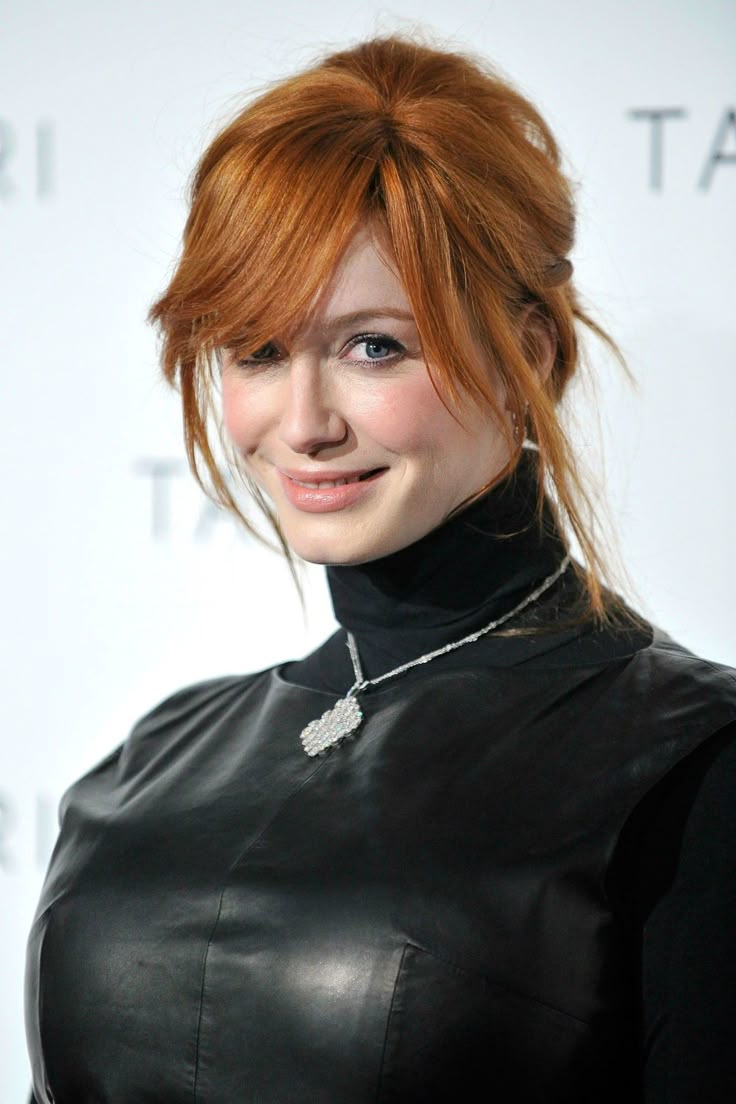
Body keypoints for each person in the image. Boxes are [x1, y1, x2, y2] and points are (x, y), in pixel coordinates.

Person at [25, 35, 736, 1104]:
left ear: (529, 356)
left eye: (373, 347)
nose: (302, 425)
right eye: (258, 351)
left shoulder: (693, 769)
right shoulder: (156, 756)